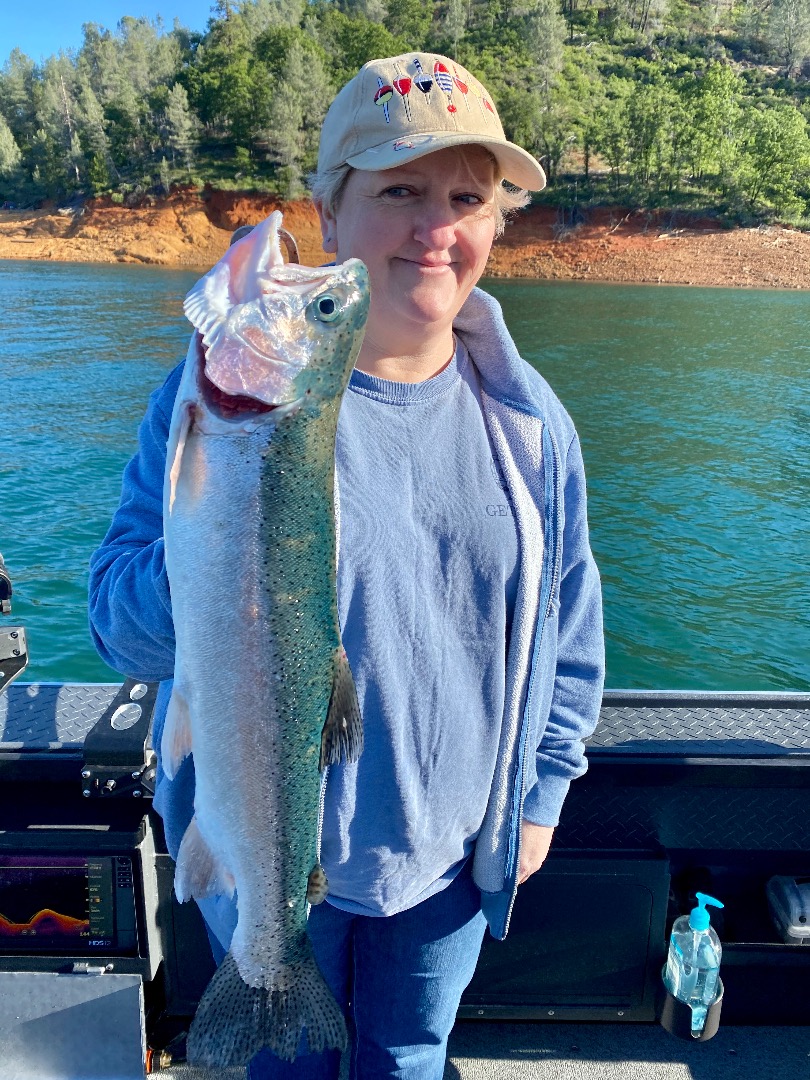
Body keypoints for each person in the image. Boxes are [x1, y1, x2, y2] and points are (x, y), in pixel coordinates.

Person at [88, 51, 604, 1080]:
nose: (436, 228)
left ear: (497, 223)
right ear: (332, 212)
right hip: (260, 849)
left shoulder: (534, 425)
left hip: (455, 855)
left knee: (410, 1054)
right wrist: (211, 570)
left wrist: (542, 795)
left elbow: (572, 628)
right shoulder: (210, 408)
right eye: (400, 191)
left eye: (468, 197)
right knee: (286, 1066)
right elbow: (115, 623)